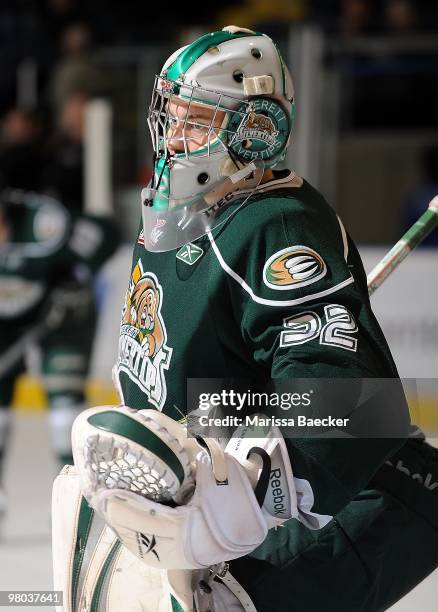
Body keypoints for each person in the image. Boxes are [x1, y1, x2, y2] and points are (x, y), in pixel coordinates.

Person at [59, 26, 438, 611]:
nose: (173, 137)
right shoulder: (178, 213)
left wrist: (252, 480)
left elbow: (356, 402)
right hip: (224, 493)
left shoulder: (276, 228)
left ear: (253, 131)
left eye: (196, 121)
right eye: (172, 116)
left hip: (359, 496)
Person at [0, 190, 118, 521]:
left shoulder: (44, 223)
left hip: (60, 320)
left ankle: (76, 496)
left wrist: (78, 277)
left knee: (64, 410)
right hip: (5, 326)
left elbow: (105, 234)